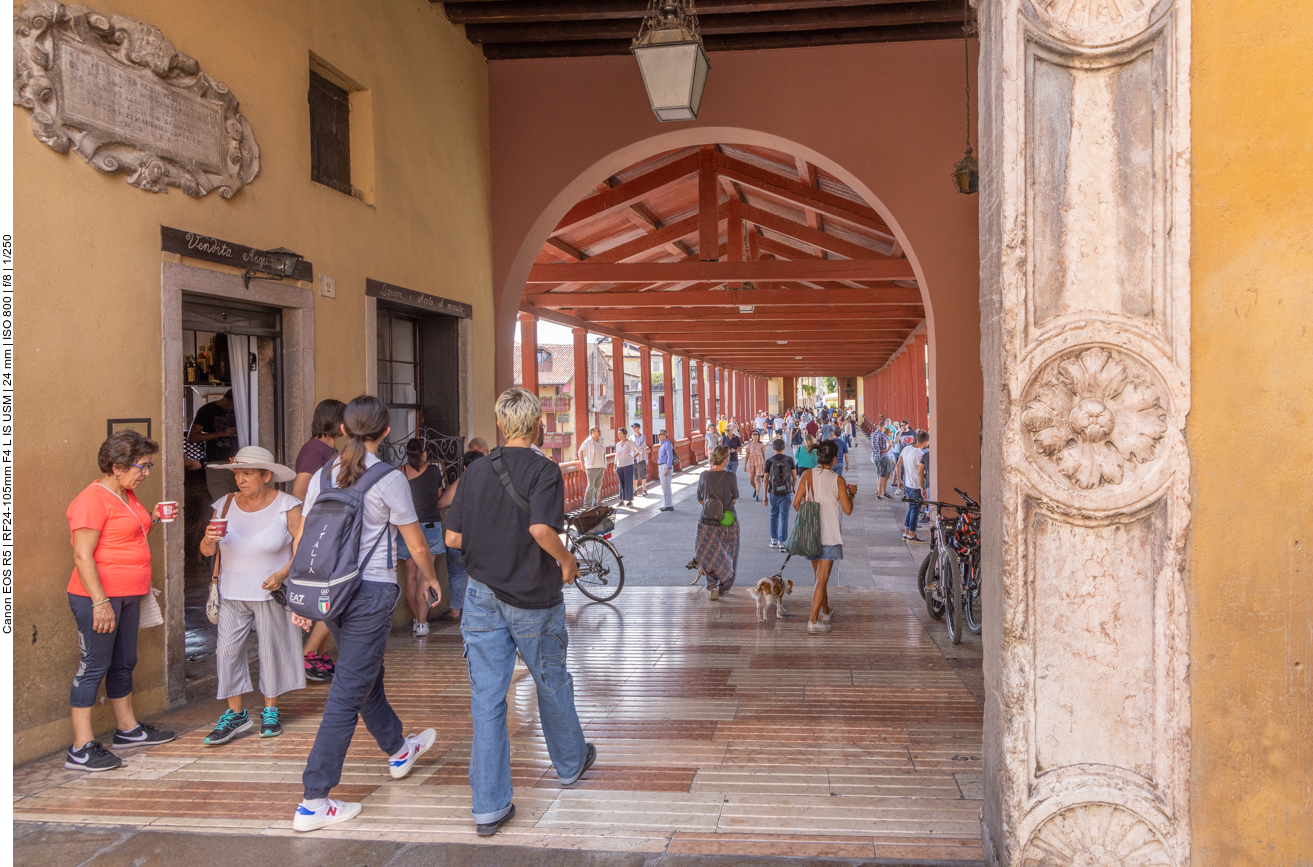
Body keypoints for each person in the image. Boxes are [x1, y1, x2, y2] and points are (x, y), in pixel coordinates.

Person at [289, 395, 443, 833]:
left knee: (363, 675)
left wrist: (302, 594)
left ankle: (397, 749)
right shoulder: (388, 477)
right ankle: (314, 800)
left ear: (341, 430)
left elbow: (305, 535)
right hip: (371, 594)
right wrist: (430, 577)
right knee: (346, 693)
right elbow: (415, 544)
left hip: (333, 594)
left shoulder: (322, 475)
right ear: (387, 431)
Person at [444, 388, 593, 837]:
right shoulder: (544, 470)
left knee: (487, 699)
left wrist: (491, 546)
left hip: (482, 596)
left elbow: (452, 540)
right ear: (536, 426)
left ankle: (488, 807)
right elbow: (540, 528)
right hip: (533, 597)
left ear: (502, 426)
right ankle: (569, 764)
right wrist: (567, 561)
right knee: (550, 681)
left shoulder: (475, 472)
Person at [65, 432, 177, 772]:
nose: (145, 474)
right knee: (94, 666)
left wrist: (154, 518)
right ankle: (81, 748)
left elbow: (132, 538)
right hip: (99, 596)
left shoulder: (127, 495)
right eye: (141, 467)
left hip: (130, 594)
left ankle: (127, 730)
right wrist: (100, 602)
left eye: (148, 466)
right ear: (116, 467)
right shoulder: (92, 500)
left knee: (125, 661)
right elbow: (83, 555)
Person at [199, 447, 306, 745]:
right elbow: (207, 551)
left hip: (270, 592)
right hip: (231, 592)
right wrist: (208, 540)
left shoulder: (287, 505)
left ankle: (270, 710)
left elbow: (302, 545)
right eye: (237, 473)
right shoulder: (224, 505)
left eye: (247, 473)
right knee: (227, 652)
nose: (240, 480)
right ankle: (236, 713)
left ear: (266, 475)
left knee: (272, 651)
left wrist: (283, 574)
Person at [293, 399, 347, 684]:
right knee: (334, 596)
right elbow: (300, 492)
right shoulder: (314, 450)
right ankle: (310, 653)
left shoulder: (330, 450)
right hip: (322, 534)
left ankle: (319, 653)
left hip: (331, 533)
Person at [793, 440, 854, 634]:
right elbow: (848, 509)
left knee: (820, 578)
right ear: (835, 458)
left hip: (811, 535)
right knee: (822, 578)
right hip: (829, 534)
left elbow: (796, 504)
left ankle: (825, 612)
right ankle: (812, 622)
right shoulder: (838, 480)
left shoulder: (807, 475)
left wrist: (807, 517)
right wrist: (851, 494)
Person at [396, 439, 448, 637]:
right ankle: (423, 623)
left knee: (410, 576)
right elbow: (437, 496)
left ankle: (417, 621)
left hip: (407, 528)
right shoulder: (434, 471)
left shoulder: (399, 471)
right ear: (424, 453)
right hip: (430, 526)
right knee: (425, 575)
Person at [695, 446, 740, 601]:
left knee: (707, 554)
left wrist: (712, 509)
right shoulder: (730, 476)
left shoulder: (703, 475)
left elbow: (700, 499)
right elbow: (734, 499)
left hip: (706, 521)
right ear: (726, 459)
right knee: (729, 553)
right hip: (727, 521)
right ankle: (724, 586)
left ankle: (712, 584)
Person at [189, 391, 239, 464]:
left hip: (240, 459)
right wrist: (221, 433)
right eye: (234, 406)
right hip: (216, 459)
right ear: (226, 400)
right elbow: (192, 437)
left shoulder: (241, 411)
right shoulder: (206, 410)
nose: (235, 409)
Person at [764, 439, 796, 549]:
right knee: (784, 516)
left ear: (773, 448)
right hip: (786, 491)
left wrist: (764, 495)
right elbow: (794, 477)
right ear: (784, 448)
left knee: (774, 514)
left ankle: (773, 540)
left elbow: (766, 479)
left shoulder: (769, 461)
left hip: (773, 492)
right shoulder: (790, 460)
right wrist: (792, 488)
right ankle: (782, 542)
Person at [900, 430, 929, 542]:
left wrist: (899, 480)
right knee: (915, 511)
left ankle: (906, 532)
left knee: (911, 509)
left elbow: (899, 465)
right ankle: (912, 534)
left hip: (908, 484)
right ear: (925, 442)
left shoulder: (907, 448)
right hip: (916, 486)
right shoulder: (920, 454)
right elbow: (920, 472)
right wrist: (923, 488)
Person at [577, 427, 606, 510]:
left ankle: (595, 501)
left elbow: (603, 453)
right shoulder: (588, 442)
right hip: (591, 467)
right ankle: (587, 503)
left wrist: (605, 465)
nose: (599, 432)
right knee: (591, 486)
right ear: (593, 432)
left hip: (600, 466)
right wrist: (582, 464)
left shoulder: (601, 441)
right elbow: (580, 451)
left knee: (598, 486)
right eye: (598, 431)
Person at [614, 428, 638, 506]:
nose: (619, 435)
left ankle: (630, 500)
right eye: (618, 433)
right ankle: (621, 500)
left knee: (628, 482)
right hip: (619, 465)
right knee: (621, 483)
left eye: (620, 433)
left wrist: (633, 457)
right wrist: (615, 465)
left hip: (628, 465)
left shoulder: (630, 443)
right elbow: (616, 455)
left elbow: (639, 450)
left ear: (624, 434)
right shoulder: (618, 444)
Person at [870, 422, 893, 499]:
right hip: (882, 457)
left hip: (875, 456)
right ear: (884, 427)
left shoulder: (872, 434)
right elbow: (890, 444)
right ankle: (880, 494)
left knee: (878, 475)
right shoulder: (883, 435)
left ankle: (879, 491)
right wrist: (887, 450)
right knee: (882, 476)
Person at [744, 430, 767, 501]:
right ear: (751, 436)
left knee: (757, 479)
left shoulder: (761, 444)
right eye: (753, 434)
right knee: (751, 480)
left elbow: (763, 454)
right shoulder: (749, 445)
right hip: (752, 463)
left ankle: (757, 495)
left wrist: (765, 464)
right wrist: (745, 465)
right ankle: (756, 489)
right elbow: (747, 455)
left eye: (756, 434)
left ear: (758, 436)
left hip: (759, 463)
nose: (755, 436)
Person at [657, 429, 675, 511]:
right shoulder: (662, 445)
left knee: (666, 487)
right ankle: (666, 504)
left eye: (661, 434)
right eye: (658, 434)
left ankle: (668, 505)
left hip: (665, 466)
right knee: (664, 487)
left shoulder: (667, 444)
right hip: (662, 466)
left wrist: (667, 468)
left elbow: (670, 456)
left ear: (665, 435)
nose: (659, 436)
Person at [630, 423, 649, 498]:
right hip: (633, 458)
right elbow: (630, 446)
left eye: (635, 427)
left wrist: (634, 448)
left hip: (641, 458)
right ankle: (635, 490)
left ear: (639, 428)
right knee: (634, 475)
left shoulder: (643, 437)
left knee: (642, 474)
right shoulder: (631, 437)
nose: (634, 429)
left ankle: (644, 490)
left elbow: (640, 446)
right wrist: (635, 448)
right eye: (633, 428)